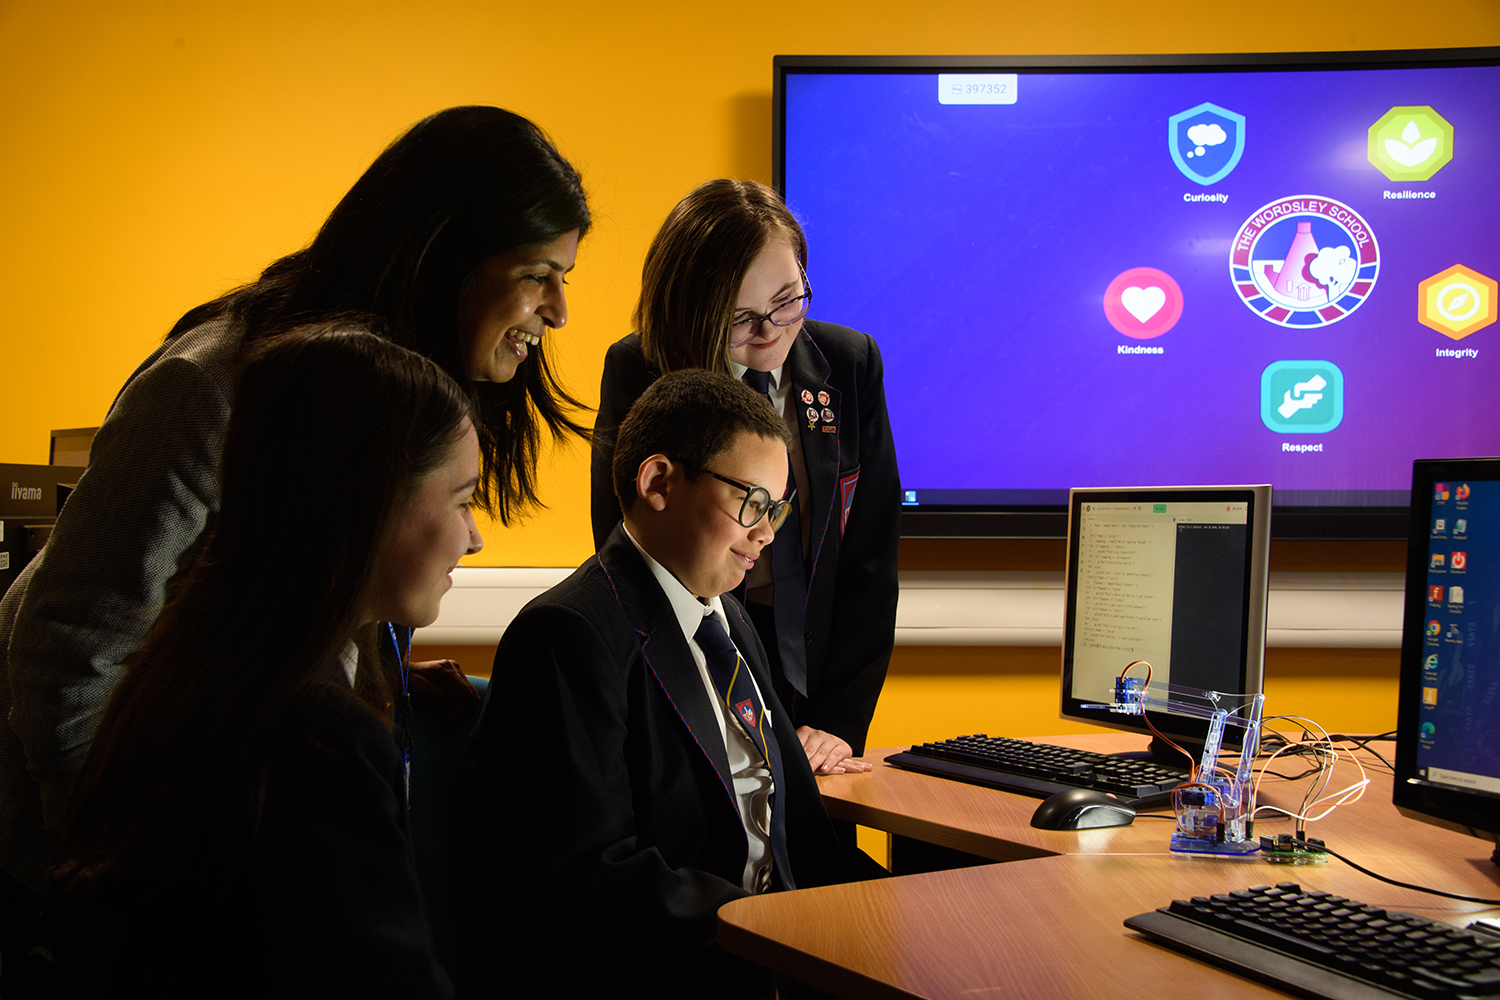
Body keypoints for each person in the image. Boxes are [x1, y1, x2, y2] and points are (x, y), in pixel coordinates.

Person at [0, 105, 589, 976]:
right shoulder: (211, 389)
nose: (561, 310)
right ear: (442, 252)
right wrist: (118, 881)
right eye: (540, 273)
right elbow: (67, 654)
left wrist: (366, 670)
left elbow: (284, 591)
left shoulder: (382, 396)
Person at [51, 325, 480, 995]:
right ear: (368, 500)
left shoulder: (185, 669)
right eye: (463, 500)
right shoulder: (320, 740)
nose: (475, 538)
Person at [470, 369, 885, 999]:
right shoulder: (568, 633)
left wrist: (900, 907)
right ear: (658, 482)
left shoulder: (729, 615)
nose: (768, 533)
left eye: (777, 508)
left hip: (780, 949)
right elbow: (588, 876)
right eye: (751, 503)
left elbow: (797, 834)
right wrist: (777, 927)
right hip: (687, 968)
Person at [590, 179, 900, 774]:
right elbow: (623, 550)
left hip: (811, 669)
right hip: (687, 655)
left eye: (788, 299)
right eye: (741, 319)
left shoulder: (850, 363)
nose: (772, 330)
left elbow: (870, 556)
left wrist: (838, 723)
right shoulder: (640, 366)